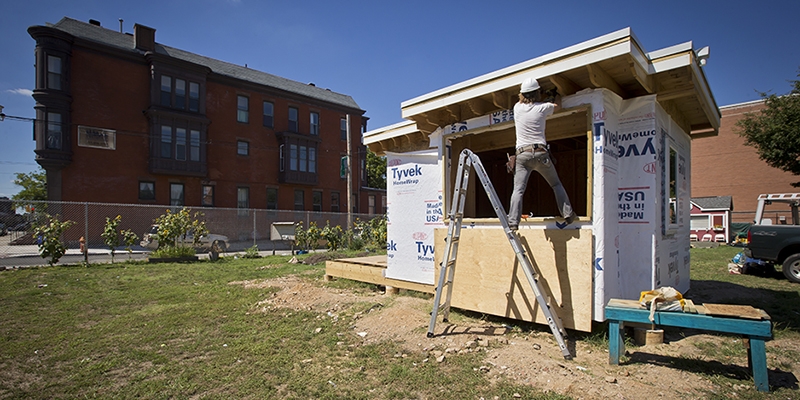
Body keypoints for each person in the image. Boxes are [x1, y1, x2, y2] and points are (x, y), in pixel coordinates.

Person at [507, 77, 576, 231]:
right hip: (540, 153)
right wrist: (553, 94)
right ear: (537, 93)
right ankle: (568, 215)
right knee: (556, 184)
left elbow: (529, 101)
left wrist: (541, 96)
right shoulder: (543, 108)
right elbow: (557, 105)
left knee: (518, 189)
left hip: (522, 155)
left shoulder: (517, 108)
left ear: (522, 94)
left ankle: (513, 221)